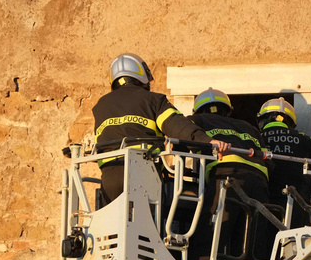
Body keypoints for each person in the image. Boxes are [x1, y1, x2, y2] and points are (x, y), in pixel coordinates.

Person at [90, 53, 228, 204]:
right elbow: (178, 126)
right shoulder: (153, 100)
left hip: (109, 178)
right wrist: (208, 141)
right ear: (141, 74)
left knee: (113, 218)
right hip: (142, 174)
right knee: (148, 218)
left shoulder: (100, 106)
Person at [187, 88, 271, 260]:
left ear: (198, 109)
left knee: (212, 234)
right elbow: (269, 161)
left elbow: (184, 135)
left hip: (226, 179)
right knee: (250, 242)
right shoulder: (249, 127)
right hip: (259, 182)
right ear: (228, 110)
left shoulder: (196, 121)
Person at [256, 97, 311, 227]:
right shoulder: (306, 140)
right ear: (291, 121)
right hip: (296, 206)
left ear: (262, 120)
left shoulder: (254, 139)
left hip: (261, 204)